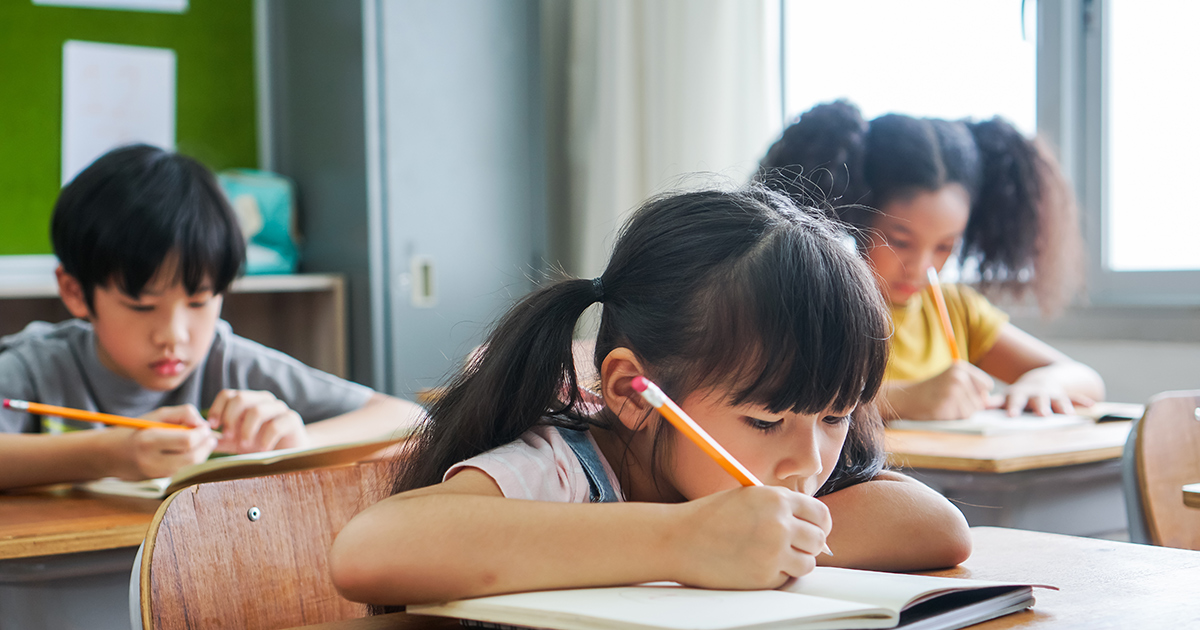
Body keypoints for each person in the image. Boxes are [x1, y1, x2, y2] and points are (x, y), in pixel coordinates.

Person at [328, 187, 971, 607]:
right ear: (635, 394)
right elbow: (370, 551)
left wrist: (759, 540)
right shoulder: (562, 468)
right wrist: (681, 542)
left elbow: (937, 527)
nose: (808, 461)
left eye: (835, 416)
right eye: (765, 420)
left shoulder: (770, 475)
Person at [0, 144, 425, 491]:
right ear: (75, 292)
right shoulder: (36, 367)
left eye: (201, 301)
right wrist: (111, 453)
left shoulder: (229, 362)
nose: (174, 335)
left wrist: (296, 444)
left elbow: (411, 420)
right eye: (142, 306)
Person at [758, 100, 1105, 421]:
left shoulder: (958, 311)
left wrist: (1043, 385)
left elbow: (1085, 378)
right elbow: (780, 400)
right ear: (858, 219)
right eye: (900, 241)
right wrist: (906, 399)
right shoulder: (820, 304)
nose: (922, 266)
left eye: (944, 247)